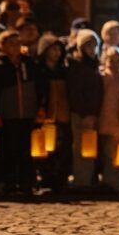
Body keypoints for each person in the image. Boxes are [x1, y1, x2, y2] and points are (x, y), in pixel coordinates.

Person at [0, 30, 39, 194]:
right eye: (11, 43)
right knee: (8, 150)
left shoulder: (28, 63)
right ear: (2, 46)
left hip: (27, 114)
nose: (16, 47)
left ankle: (26, 183)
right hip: (7, 115)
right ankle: (8, 183)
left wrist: (39, 107)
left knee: (26, 150)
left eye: (18, 43)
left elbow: (38, 86)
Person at [66, 29, 102, 189]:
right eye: (88, 46)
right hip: (81, 115)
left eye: (95, 46)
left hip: (92, 114)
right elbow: (75, 93)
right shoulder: (77, 67)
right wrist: (86, 114)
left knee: (89, 149)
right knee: (81, 149)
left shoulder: (94, 66)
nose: (92, 50)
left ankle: (87, 180)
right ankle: (81, 181)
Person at [36, 34, 71, 192]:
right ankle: (46, 177)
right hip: (46, 115)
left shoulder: (64, 71)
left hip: (62, 114)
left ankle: (60, 179)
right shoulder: (39, 71)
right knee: (44, 148)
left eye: (58, 49)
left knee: (62, 147)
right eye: (52, 49)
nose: (56, 53)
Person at [98, 46, 119, 193]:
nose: (115, 63)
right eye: (112, 60)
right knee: (107, 155)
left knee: (116, 156)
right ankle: (108, 182)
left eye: (118, 60)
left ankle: (113, 183)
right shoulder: (103, 77)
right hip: (105, 120)